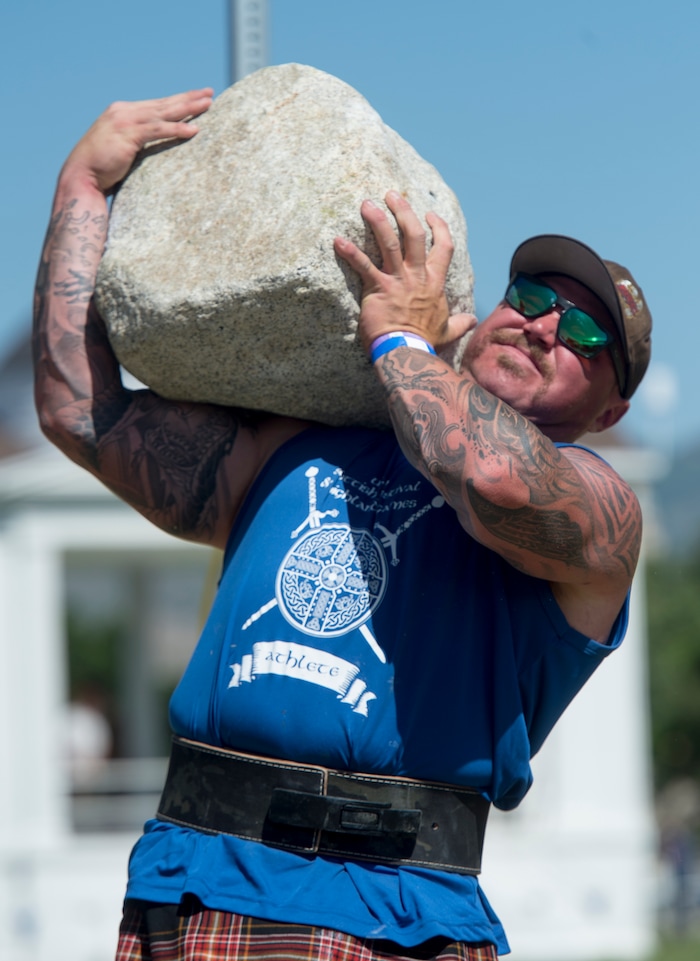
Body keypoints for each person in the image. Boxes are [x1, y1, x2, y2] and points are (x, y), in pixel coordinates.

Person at [33, 90, 652, 961]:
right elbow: (78, 413)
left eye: (586, 332)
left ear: (611, 407)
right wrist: (80, 189)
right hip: (198, 886)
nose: (547, 324)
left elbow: (492, 479)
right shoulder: (298, 448)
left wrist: (401, 341)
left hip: (399, 916)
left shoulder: (599, 515)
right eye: (533, 293)